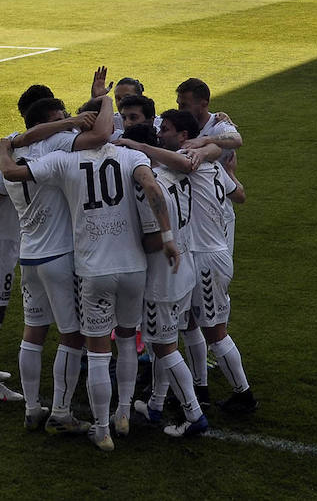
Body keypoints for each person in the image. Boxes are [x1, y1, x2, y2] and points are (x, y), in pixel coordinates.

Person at [0, 94, 180, 452]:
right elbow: (152, 185)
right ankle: (119, 413)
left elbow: (12, 172)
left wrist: (3, 147)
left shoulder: (58, 160)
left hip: (52, 260)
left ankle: (82, 421)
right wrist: (169, 236)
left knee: (58, 340)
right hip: (123, 264)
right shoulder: (130, 157)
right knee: (117, 339)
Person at [0, 86, 112, 424]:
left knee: (19, 322)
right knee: (57, 331)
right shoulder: (50, 150)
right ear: (46, 121)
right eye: (61, 119)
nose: (68, 123)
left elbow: (3, 177)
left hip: (27, 251)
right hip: (16, 244)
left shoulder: (13, 148)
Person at [155, 108, 254, 414]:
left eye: (166, 130)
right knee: (190, 325)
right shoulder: (208, 161)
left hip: (207, 259)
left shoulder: (189, 159)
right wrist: (222, 160)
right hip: (206, 253)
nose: (161, 134)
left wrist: (138, 146)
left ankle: (244, 394)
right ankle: (200, 387)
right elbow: (237, 193)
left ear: (184, 137)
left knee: (215, 332)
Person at [118, 122, 214, 438]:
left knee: (164, 347)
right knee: (167, 341)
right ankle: (157, 405)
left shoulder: (147, 187)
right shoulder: (175, 173)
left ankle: (193, 414)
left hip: (163, 278)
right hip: (183, 271)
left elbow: (156, 239)